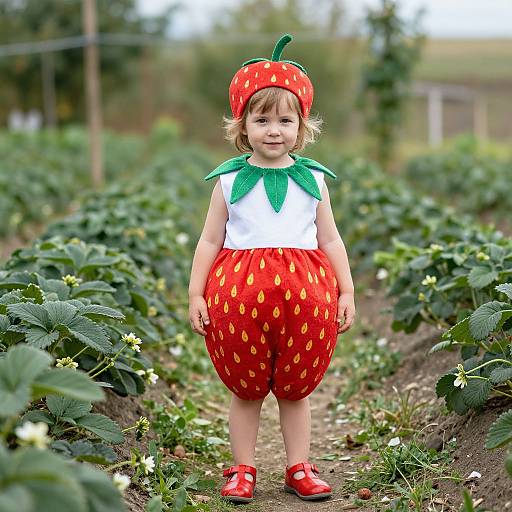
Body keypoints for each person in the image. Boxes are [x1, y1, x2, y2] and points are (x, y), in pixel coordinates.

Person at [188, 34, 355, 503]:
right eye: (262, 119)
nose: (274, 130)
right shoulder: (227, 181)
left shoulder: (314, 180)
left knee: (295, 389)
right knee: (245, 389)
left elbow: (329, 239)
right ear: (243, 125)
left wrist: (346, 291)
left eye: (285, 119)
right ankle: (242, 469)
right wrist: (196, 294)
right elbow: (209, 240)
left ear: (302, 126)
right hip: (237, 300)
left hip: (307, 298)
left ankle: (298, 466)